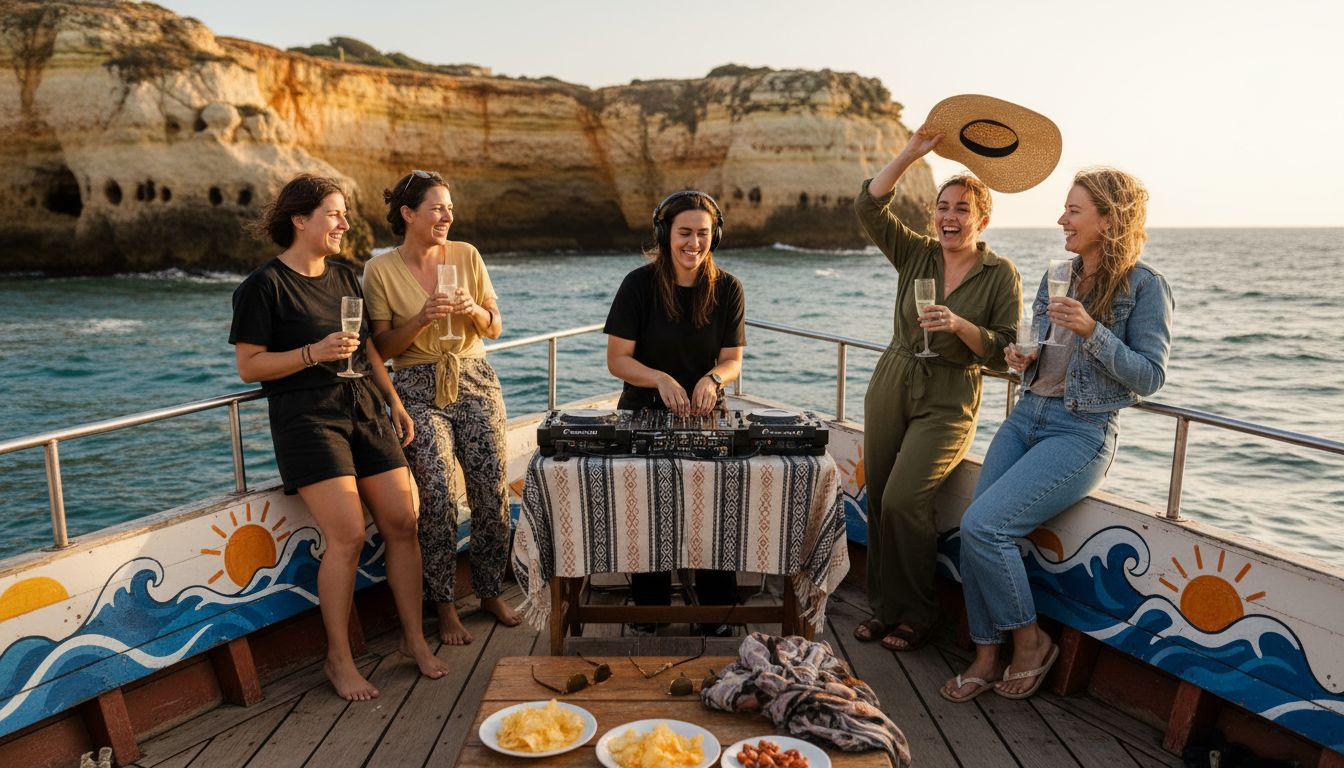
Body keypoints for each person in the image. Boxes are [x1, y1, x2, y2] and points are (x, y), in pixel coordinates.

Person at [942, 167, 1172, 702]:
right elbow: (1040, 351)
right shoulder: (1058, 274)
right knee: (974, 529)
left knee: (984, 526)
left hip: (1082, 430)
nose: (1062, 219)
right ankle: (984, 654)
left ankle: (1030, 642)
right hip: (1027, 415)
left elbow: (1150, 377)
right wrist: (1022, 357)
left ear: (1108, 220)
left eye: (1074, 210)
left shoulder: (1145, 286)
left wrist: (1094, 331)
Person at [229, 173, 448, 701]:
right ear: (299, 220)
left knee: (402, 520)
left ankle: (413, 641)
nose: (344, 222)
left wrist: (394, 403)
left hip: (366, 408)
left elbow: (368, 348)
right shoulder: (264, 286)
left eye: (344, 212)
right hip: (308, 419)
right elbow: (248, 366)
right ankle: (338, 658)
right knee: (348, 534)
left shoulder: (347, 276)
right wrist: (312, 354)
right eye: (334, 213)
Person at [852, 125, 1022, 652]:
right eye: (943, 207)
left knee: (906, 499)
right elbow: (868, 207)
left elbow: (1005, 350)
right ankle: (885, 609)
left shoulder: (1000, 274)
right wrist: (909, 153)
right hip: (894, 376)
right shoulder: (916, 254)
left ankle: (919, 614)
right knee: (879, 496)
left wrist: (961, 328)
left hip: (951, 395)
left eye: (962, 209)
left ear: (983, 219)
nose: (949, 217)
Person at [363, 170, 521, 646]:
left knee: (491, 491)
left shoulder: (467, 255)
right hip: (415, 384)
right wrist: (422, 317)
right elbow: (382, 347)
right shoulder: (380, 270)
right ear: (408, 214)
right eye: (436, 207)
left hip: (473, 376)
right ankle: (445, 606)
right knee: (435, 497)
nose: (447, 215)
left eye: (449, 207)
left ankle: (491, 590)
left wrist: (471, 310)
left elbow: (493, 327)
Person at [603, 190, 745, 636]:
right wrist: (660, 379)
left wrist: (714, 380)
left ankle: (715, 613)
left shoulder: (729, 288)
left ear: (714, 237)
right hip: (641, 412)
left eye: (703, 234)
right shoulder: (637, 285)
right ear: (665, 235)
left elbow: (732, 360)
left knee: (715, 510)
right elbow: (617, 359)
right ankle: (652, 611)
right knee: (646, 510)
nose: (694, 244)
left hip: (706, 415)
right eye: (684, 233)